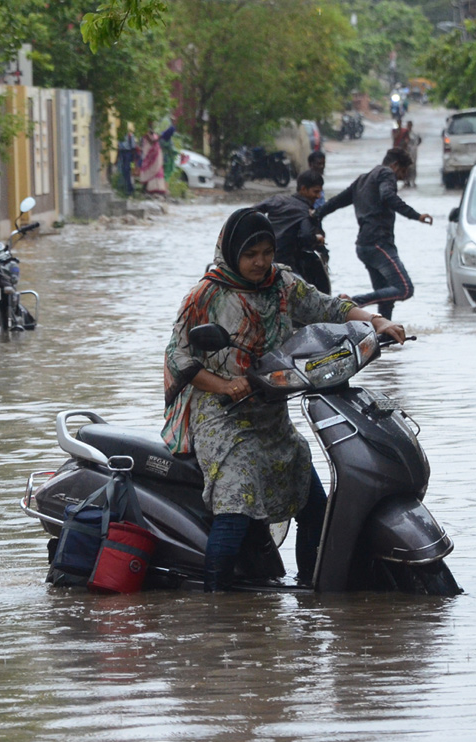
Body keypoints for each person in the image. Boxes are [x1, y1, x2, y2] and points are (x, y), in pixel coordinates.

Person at [163, 209, 405, 591]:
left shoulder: (283, 285)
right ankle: (213, 605)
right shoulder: (206, 295)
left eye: (266, 251)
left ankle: (312, 588)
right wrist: (226, 386)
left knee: (315, 506)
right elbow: (178, 357)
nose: (260, 262)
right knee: (235, 510)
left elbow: (331, 307)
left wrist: (377, 323)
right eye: (250, 254)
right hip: (223, 417)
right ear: (232, 252)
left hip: (272, 418)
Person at [315, 147, 432, 319]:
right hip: (379, 243)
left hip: (364, 246)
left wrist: (316, 215)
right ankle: (352, 303)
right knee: (405, 288)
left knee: (385, 298)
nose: (403, 177)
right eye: (404, 171)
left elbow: (336, 202)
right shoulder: (386, 173)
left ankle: (383, 336)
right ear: (396, 165)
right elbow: (388, 196)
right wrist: (417, 215)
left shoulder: (363, 180)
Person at [250, 169, 330, 292]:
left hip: (262, 261)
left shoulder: (277, 199)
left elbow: (250, 213)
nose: (318, 196)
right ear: (303, 189)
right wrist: (317, 239)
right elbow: (306, 237)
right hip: (286, 265)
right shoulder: (305, 211)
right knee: (311, 296)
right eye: (316, 192)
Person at [138, 127, 167, 196]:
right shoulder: (147, 134)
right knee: (148, 170)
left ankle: (157, 189)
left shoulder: (154, 134)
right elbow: (152, 141)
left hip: (155, 156)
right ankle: (146, 188)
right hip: (149, 156)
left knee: (157, 171)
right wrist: (159, 138)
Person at [116, 130, 137, 195]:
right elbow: (118, 148)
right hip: (122, 154)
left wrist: (133, 160)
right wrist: (117, 158)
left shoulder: (130, 135)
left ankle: (129, 189)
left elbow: (133, 148)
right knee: (123, 171)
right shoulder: (120, 135)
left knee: (127, 170)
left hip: (128, 154)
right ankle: (126, 187)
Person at [402, 120, 421, 188]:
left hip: (413, 152)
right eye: (408, 125)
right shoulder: (404, 134)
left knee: (413, 166)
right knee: (406, 167)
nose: (409, 126)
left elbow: (419, 141)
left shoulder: (414, 134)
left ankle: (413, 180)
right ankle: (406, 181)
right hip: (406, 152)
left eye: (410, 125)